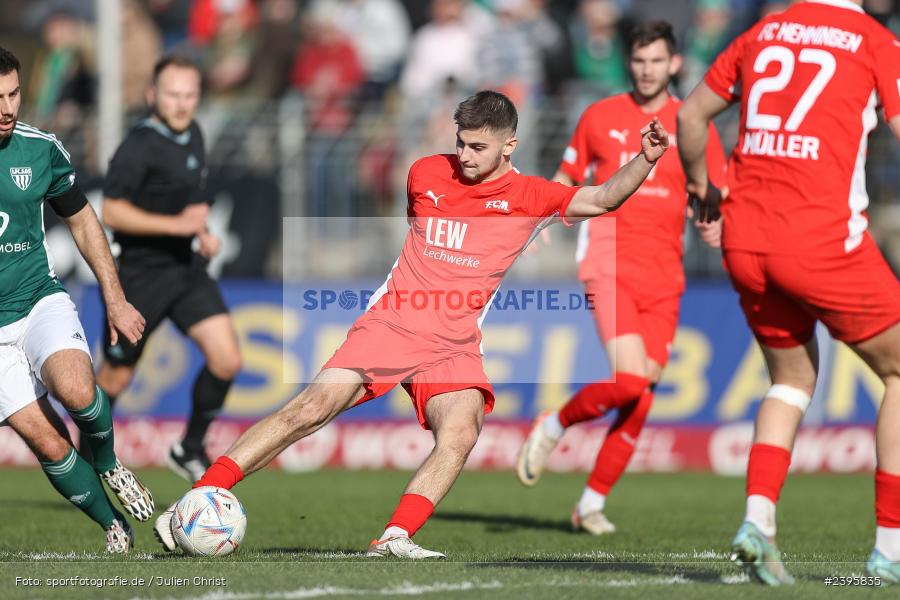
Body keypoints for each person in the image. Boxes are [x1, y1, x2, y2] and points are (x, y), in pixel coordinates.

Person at [153, 90, 669, 558]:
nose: (465, 156)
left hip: (453, 345)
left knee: (462, 432)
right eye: (461, 143)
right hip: (393, 325)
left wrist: (644, 159)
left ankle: (394, 537)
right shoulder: (425, 173)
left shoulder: (531, 196)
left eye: (478, 148)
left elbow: (603, 198)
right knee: (308, 410)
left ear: (509, 145)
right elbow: (414, 230)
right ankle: (194, 502)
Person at [677, 0, 900, 585]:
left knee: (792, 380)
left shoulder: (762, 31)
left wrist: (705, 188)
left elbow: (691, 116)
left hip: (745, 241)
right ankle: (890, 550)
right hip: (822, 242)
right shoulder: (874, 38)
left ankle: (757, 522)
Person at [515, 20, 726, 535]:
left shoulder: (693, 123)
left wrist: (714, 218)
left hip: (665, 271)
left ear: (674, 64)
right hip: (608, 260)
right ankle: (556, 423)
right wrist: (543, 216)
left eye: (657, 60)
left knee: (642, 393)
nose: (647, 69)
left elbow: (711, 189)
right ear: (628, 63)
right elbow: (567, 178)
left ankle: (589, 503)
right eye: (639, 60)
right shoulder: (601, 115)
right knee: (629, 379)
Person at [0, 47, 153, 552]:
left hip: (36, 297)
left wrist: (115, 299)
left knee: (76, 390)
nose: (7, 108)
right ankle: (115, 526)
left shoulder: (39, 149)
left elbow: (83, 220)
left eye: (14, 94)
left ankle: (109, 463)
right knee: (46, 441)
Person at [92, 56, 242, 482]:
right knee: (115, 380)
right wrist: (176, 226)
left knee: (227, 359)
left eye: (190, 94)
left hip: (187, 268)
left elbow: (192, 204)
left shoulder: (194, 132)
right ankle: (92, 461)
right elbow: (113, 211)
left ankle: (188, 448)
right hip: (141, 275)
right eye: (173, 94)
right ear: (152, 95)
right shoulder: (139, 146)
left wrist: (203, 234)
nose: (182, 103)